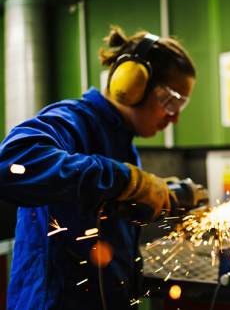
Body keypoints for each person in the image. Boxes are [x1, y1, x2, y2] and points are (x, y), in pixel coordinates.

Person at [0, 26, 196, 309]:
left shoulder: (121, 141)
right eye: (170, 101)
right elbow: (11, 164)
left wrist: (148, 193)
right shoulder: (74, 120)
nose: (174, 117)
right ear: (132, 85)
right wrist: (127, 180)